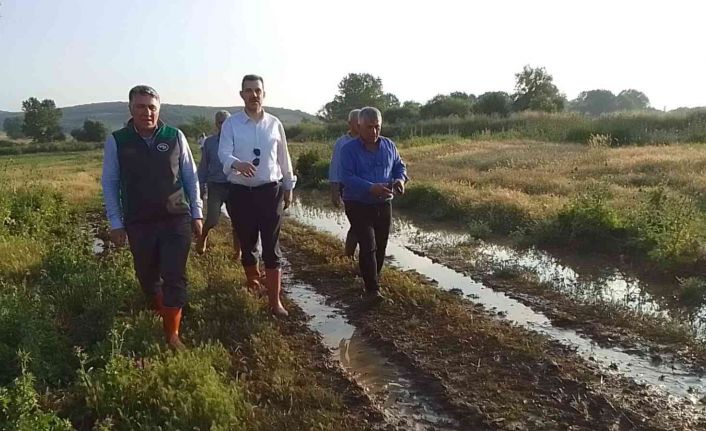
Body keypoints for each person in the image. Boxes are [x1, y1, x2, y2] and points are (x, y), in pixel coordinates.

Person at [101, 85, 203, 349]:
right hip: (139, 221)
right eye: (140, 107)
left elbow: (190, 176)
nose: (146, 112)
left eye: (151, 107)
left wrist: (197, 212)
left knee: (174, 275)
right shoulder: (118, 140)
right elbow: (110, 182)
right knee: (147, 276)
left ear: (159, 109)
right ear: (130, 109)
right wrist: (115, 222)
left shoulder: (174, 136)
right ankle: (162, 307)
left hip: (175, 217)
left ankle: (172, 334)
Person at [218, 74, 297, 317]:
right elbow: (223, 153)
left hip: (269, 192)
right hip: (240, 193)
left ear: (264, 94)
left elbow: (283, 156)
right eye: (249, 91)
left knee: (271, 246)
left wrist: (288, 186)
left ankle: (275, 301)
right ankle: (253, 282)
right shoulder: (231, 124)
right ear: (242, 94)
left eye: (257, 91)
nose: (254, 95)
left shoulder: (274, 124)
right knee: (248, 241)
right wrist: (236, 163)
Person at [340, 107, 407, 302]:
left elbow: (399, 166)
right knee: (368, 244)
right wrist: (371, 188)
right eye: (369, 127)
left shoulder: (389, 145)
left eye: (377, 127)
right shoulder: (348, 150)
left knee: (381, 245)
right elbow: (347, 177)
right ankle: (372, 289)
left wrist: (400, 180)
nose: (374, 131)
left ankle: (372, 277)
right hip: (357, 203)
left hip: (383, 203)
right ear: (359, 126)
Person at [196, 110, 241, 258]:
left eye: (226, 122)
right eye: (221, 122)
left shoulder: (238, 141)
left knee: (237, 221)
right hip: (215, 185)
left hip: (234, 185)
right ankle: (203, 237)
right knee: (212, 219)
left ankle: (237, 252)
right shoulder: (209, 143)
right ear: (216, 124)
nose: (224, 125)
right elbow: (203, 165)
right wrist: (201, 185)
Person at [328, 108, 360, 258]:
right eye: (356, 122)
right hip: (347, 188)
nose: (359, 125)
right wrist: (334, 191)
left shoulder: (368, 141)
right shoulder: (341, 143)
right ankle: (349, 255)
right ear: (349, 123)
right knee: (357, 222)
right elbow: (335, 167)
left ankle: (359, 255)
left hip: (367, 188)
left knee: (363, 223)